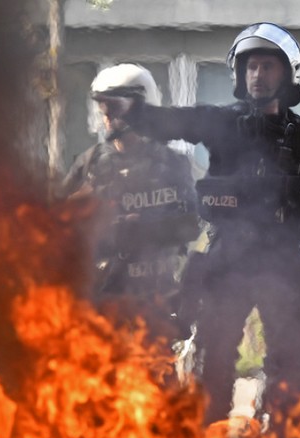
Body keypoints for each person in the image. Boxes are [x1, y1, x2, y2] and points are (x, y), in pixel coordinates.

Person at [103, 24, 300, 435]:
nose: (257, 76)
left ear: (287, 74)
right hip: (228, 258)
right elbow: (177, 121)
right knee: (214, 356)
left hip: (283, 262)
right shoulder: (222, 122)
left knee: (289, 360)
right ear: (239, 74)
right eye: (250, 67)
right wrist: (133, 111)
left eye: (267, 66)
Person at [60, 63, 200, 337]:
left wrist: (145, 229)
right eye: (104, 109)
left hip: (156, 299)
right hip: (103, 301)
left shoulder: (172, 164)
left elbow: (191, 225)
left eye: (116, 107)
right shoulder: (89, 164)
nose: (108, 117)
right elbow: (62, 228)